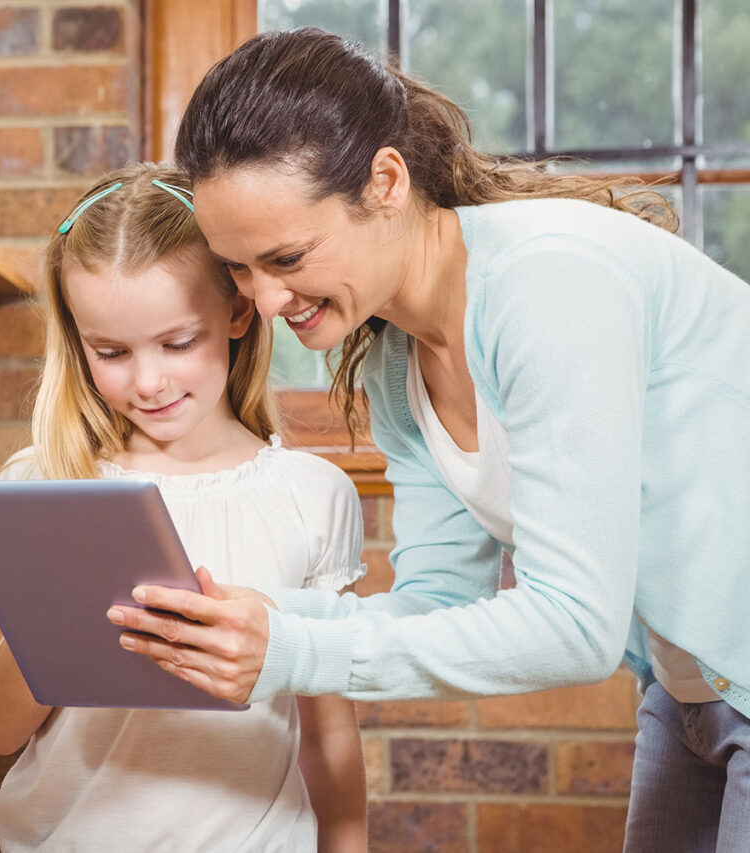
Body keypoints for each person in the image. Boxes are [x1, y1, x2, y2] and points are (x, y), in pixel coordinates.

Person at [106, 29, 750, 852]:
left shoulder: (547, 287)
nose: (264, 302)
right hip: (688, 685)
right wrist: (257, 612)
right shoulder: (395, 362)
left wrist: (293, 648)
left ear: (385, 180)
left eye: (287, 256)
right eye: (238, 269)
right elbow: (438, 600)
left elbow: (574, 626)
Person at [0, 162, 368, 853]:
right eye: (111, 351)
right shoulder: (40, 484)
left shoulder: (309, 494)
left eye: (178, 343)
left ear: (239, 311)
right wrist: (57, 615)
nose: (148, 380)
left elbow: (330, 734)